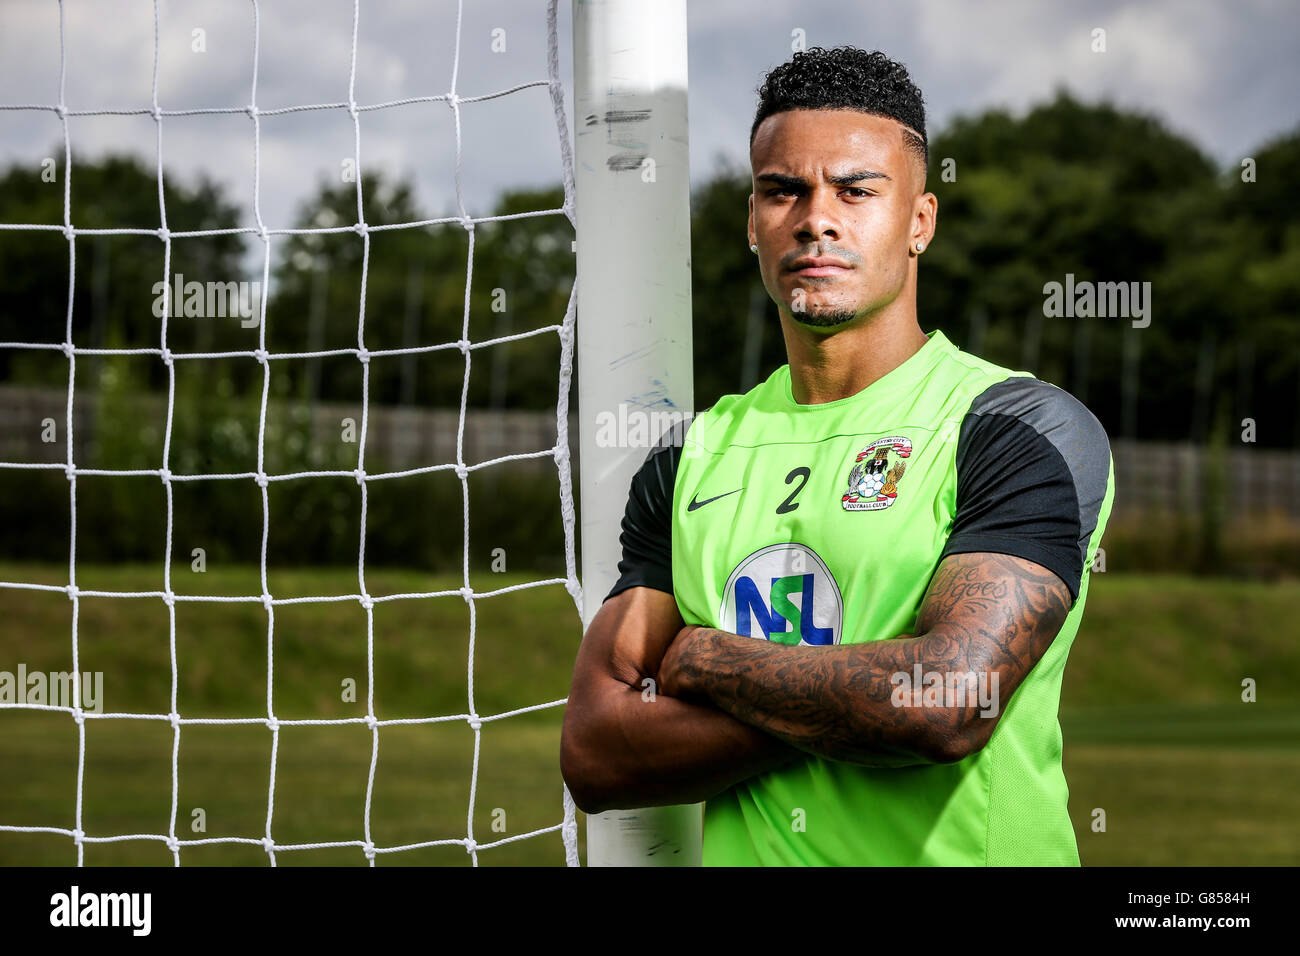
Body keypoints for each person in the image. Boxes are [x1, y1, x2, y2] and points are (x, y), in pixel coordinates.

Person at [560, 46, 1114, 866]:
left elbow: (949, 702)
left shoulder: (1014, 427)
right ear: (753, 221)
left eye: (857, 190)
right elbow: (597, 753)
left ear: (919, 221)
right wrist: (854, 699)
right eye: (783, 190)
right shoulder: (691, 457)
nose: (816, 217)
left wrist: (707, 659)